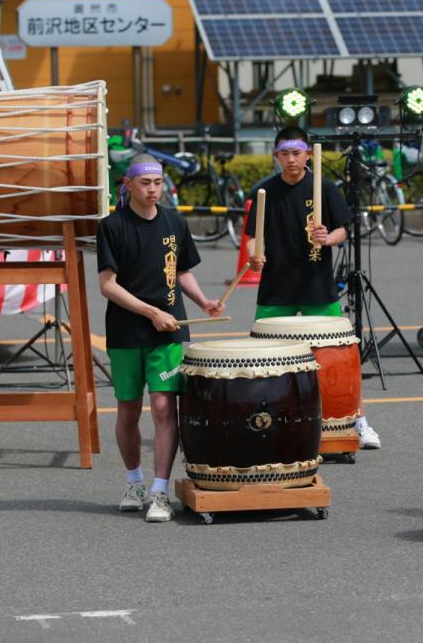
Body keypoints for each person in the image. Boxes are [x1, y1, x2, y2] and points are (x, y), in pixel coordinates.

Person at [98, 154, 223, 522]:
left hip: (167, 335)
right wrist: (151, 312)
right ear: (129, 185)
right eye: (145, 183)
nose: (153, 190)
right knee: (128, 410)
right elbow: (107, 285)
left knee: (166, 408)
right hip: (126, 332)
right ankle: (134, 481)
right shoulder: (112, 226)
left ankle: (160, 491)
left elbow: (180, 271)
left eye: (157, 183)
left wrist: (203, 301)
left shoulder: (174, 223)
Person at [243, 125, 381, 449]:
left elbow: (343, 230)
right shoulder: (265, 191)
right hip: (276, 285)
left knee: (339, 357)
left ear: (307, 154)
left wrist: (327, 237)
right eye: (284, 154)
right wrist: (254, 257)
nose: (291, 160)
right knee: (266, 356)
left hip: (317, 284)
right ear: (276, 156)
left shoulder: (324, 187)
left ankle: (357, 419)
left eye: (297, 153)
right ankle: (263, 421)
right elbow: (251, 238)